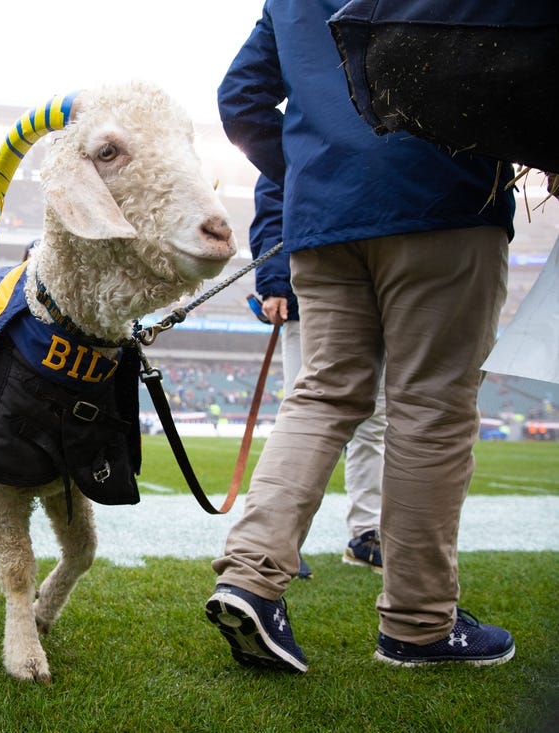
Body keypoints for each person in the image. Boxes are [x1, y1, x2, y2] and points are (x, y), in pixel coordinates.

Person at [205, 0, 516, 672]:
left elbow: (241, 97)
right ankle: (418, 621)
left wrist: (319, 176)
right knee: (428, 406)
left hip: (326, 219)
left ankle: (250, 577)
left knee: (320, 394)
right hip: (441, 201)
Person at [250, 175, 384, 577]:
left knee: (375, 419)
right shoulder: (306, 124)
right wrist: (274, 282)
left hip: (378, 283)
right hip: (315, 289)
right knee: (306, 414)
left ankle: (366, 532)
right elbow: (275, 202)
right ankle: (278, 539)